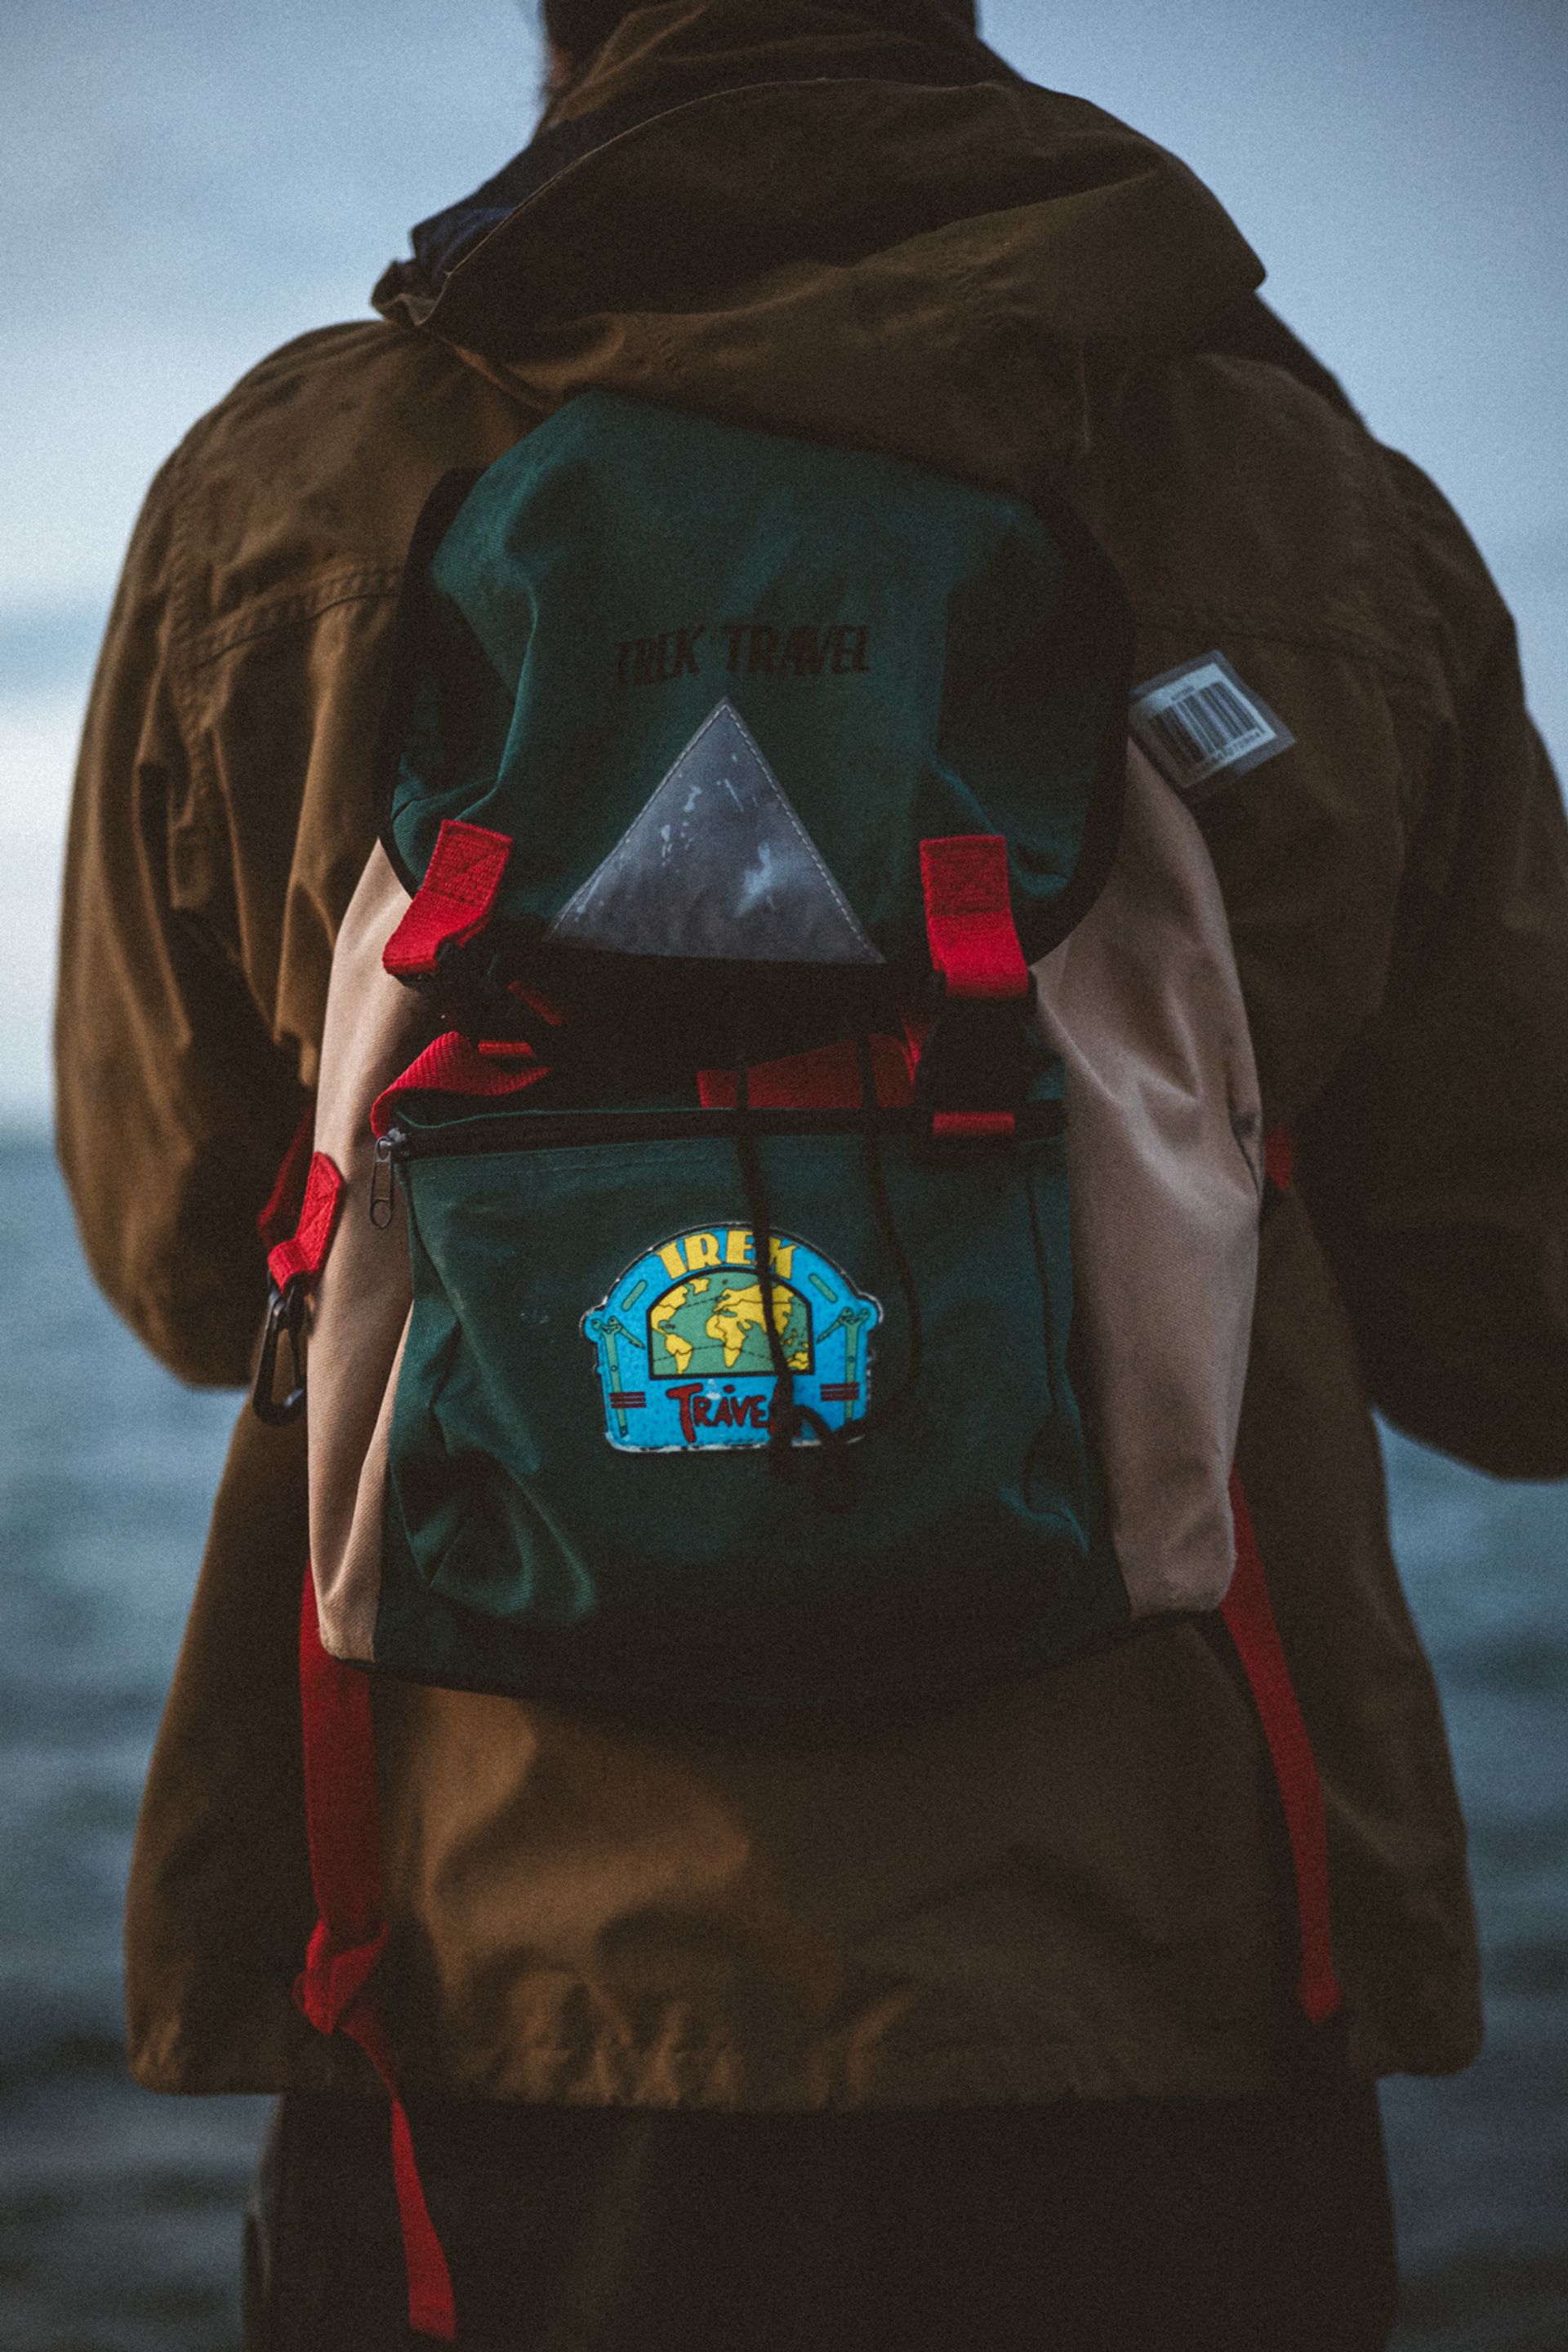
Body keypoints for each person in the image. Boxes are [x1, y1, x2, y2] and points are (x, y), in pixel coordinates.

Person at [55, 2, 1568, 2346]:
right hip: (1161, 1976)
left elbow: (173, 1264)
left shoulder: (292, 502)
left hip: (479, 1978)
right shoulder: (1296, 499)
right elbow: (1525, 1332)